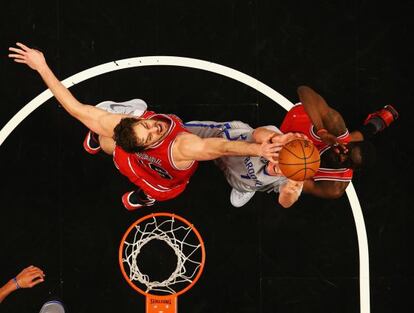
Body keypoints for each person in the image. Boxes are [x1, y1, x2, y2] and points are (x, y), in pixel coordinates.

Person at [8, 42, 300, 210]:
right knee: (123, 155)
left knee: (102, 128)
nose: (154, 128)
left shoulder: (134, 130)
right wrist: (255, 148)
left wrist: (42, 66)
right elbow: (218, 146)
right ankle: (142, 193)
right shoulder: (181, 145)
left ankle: (101, 142)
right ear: (141, 144)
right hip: (163, 180)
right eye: (148, 133)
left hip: (139, 158)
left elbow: (73, 107)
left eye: (145, 125)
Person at [185, 121, 305, 208]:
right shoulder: (275, 141)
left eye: (285, 170)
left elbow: (285, 202)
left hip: (238, 178)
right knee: (179, 133)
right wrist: (276, 137)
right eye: (282, 162)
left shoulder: (288, 179)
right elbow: (258, 133)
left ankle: (245, 189)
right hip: (221, 138)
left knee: (239, 195)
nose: (278, 170)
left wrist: (290, 192)